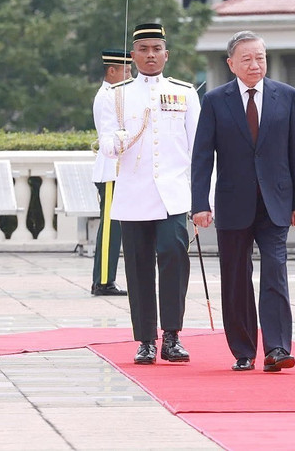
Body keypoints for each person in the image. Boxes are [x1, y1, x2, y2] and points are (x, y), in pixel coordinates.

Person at [191, 31, 295, 373]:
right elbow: (202, 157)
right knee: (235, 277)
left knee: (275, 271)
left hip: (276, 202)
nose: (255, 64)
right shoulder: (216, 101)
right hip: (232, 204)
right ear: (231, 64)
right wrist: (199, 204)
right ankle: (243, 349)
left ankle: (277, 348)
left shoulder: (287, 97)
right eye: (247, 59)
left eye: (260, 57)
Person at [99, 23, 200, 365]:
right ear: (133, 55)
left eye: (157, 49)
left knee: (174, 255)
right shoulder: (117, 95)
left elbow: (198, 149)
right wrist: (116, 141)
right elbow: (107, 144)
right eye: (143, 49)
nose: (151, 55)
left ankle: (172, 335)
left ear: (166, 54)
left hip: (172, 194)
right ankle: (145, 340)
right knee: (139, 267)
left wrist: (203, 198)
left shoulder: (185, 93)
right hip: (133, 195)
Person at [91, 49, 132, 296]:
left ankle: (105, 278)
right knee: (109, 227)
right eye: (126, 71)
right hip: (110, 170)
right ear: (112, 71)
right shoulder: (108, 96)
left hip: (117, 171)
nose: (130, 75)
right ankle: (103, 281)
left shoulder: (116, 95)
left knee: (114, 226)